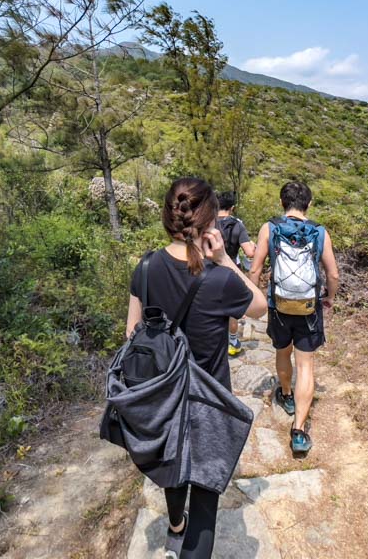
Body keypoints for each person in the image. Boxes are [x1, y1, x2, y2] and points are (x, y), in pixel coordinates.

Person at [126, 177, 267, 559]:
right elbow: (259, 307)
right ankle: (187, 537)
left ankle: (174, 526)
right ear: (209, 223)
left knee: (173, 467)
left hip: (163, 398)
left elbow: (131, 334)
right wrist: (223, 259)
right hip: (209, 402)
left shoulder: (146, 266)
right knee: (205, 507)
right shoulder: (219, 279)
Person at [249, 181, 339, 455]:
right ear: (308, 205)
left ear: (282, 203)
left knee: (281, 352)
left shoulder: (270, 228)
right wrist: (330, 297)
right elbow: (333, 275)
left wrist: (255, 296)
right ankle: (299, 431)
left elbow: (256, 269)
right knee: (306, 366)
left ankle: (286, 395)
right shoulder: (320, 232)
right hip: (309, 309)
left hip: (279, 306)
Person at [216, 191, 256, 356]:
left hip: (209, 270)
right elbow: (249, 252)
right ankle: (232, 341)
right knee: (232, 309)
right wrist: (253, 246)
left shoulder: (207, 223)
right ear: (232, 208)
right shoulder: (237, 225)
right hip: (231, 270)